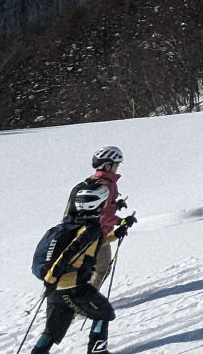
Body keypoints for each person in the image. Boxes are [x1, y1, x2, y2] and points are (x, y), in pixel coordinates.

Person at [32, 170, 136, 354]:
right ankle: (97, 351)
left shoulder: (74, 224)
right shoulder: (90, 228)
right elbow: (69, 253)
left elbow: (91, 245)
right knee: (104, 313)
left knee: (53, 328)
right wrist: (52, 277)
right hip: (72, 286)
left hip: (55, 290)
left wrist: (114, 234)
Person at [81, 147, 127, 290]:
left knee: (89, 269)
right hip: (98, 234)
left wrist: (116, 204)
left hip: (87, 232)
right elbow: (104, 216)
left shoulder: (94, 180)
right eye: (116, 164)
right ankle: (87, 301)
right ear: (107, 165)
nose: (117, 167)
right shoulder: (106, 185)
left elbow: (102, 207)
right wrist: (121, 221)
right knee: (103, 269)